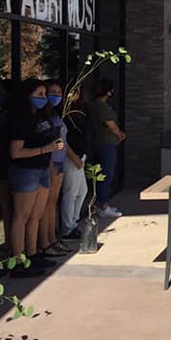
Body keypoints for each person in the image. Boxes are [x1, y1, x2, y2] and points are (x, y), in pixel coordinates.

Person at [7, 78, 63, 276]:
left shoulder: (41, 115)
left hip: (41, 169)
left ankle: (32, 253)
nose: (44, 98)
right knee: (21, 216)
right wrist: (45, 149)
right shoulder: (20, 119)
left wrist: (49, 167)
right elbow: (16, 152)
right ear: (27, 95)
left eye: (44, 94)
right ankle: (18, 261)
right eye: (39, 94)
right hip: (25, 170)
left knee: (36, 215)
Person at [38, 80, 79, 254]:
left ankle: (52, 239)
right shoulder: (42, 116)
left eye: (59, 92)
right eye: (52, 92)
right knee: (46, 205)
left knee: (52, 204)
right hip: (51, 162)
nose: (56, 96)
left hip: (59, 161)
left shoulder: (54, 114)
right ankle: (45, 242)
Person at [89, 80, 124, 218]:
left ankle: (102, 204)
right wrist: (119, 134)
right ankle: (102, 205)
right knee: (106, 175)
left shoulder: (97, 105)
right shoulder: (100, 106)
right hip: (105, 145)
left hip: (103, 143)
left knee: (104, 175)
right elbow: (110, 124)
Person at [60, 94, 88, 240]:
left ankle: (74, 222)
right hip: (71, 157)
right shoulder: (64, 115)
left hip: (80, 155)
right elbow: (63, 141)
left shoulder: (78, 111)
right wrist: (74, 157)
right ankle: (67, 228)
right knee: (70, 193)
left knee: (82, 191)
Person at [0, 78, 14, 251]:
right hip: (6, 161)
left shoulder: (5, 115)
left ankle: (11, 242)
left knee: (8, 206)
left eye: (0, 92)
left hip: (4, 162)